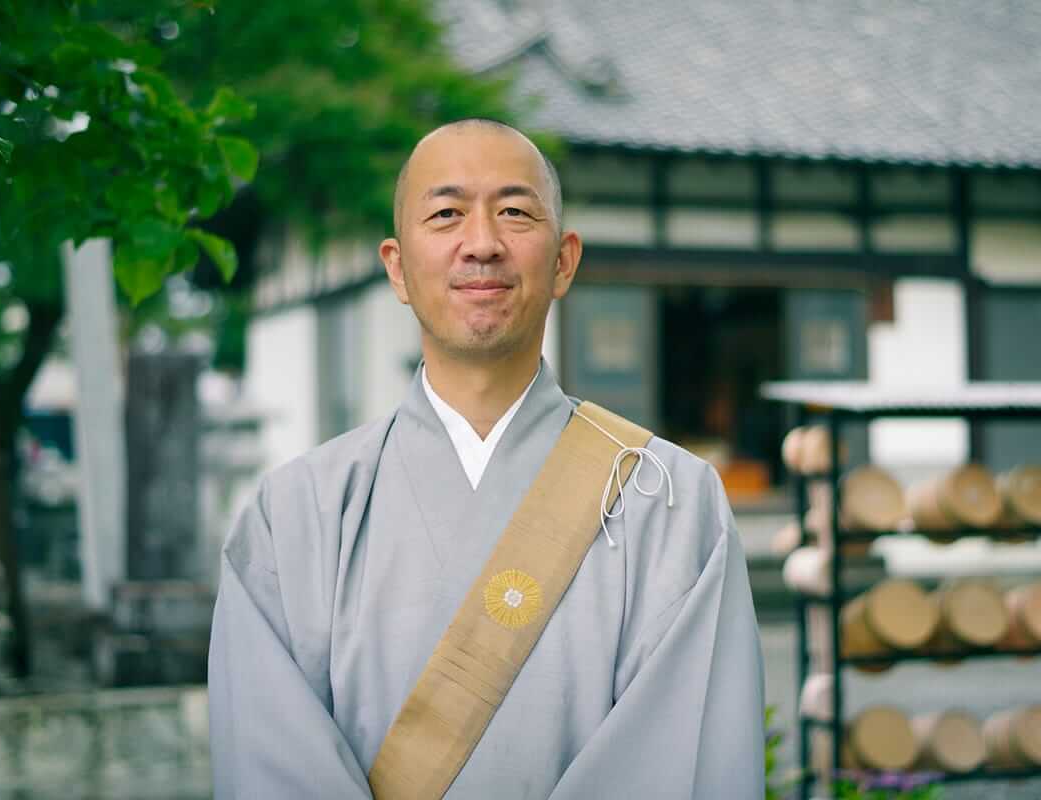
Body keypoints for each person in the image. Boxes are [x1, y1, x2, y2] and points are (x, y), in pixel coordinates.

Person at [207, 119, 765, 799]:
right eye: (446, 214)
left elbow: (687, 757)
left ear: (563, 261)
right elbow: (270, 764)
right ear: (397, 267)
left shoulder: (670, 502)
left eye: (514, 213)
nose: (481, 245)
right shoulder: (294, 514)